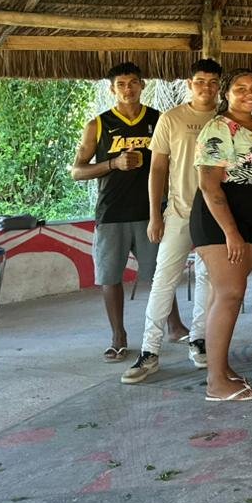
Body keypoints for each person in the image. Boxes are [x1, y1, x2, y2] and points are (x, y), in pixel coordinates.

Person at [122, 59, 220, 384]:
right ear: (190, 84)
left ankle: (199, 340)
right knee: (163, 279)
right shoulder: (172, 118)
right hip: (178, 213)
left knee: (207, 279)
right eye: (200, 81)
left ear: (219, 86)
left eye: (212, 82)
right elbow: (158, 169)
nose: (206, 87)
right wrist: (155, 215)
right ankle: (149, 351)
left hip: (214, 215)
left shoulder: (225, 119)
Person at [191, 68, 252, 402]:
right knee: (230, 293)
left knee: (224, 294)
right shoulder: (218, 127)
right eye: (241, 88)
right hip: (221, 218)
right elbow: (209, 185)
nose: (249, 94)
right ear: (226, 93)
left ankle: (222, 368)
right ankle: (215, 383)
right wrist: (231, 231)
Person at [71, 63, 161, 363]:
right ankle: (118, 336)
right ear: (112, 89)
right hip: (111, 212)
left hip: (150, 211)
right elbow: (77, 171)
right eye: (121, 84)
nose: (128, 89)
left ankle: (173, 327)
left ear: (142, 85)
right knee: (110, 276)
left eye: (133, 82)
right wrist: (113, 164)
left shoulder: (158, 120)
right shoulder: (98, 124)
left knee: (160, 274)